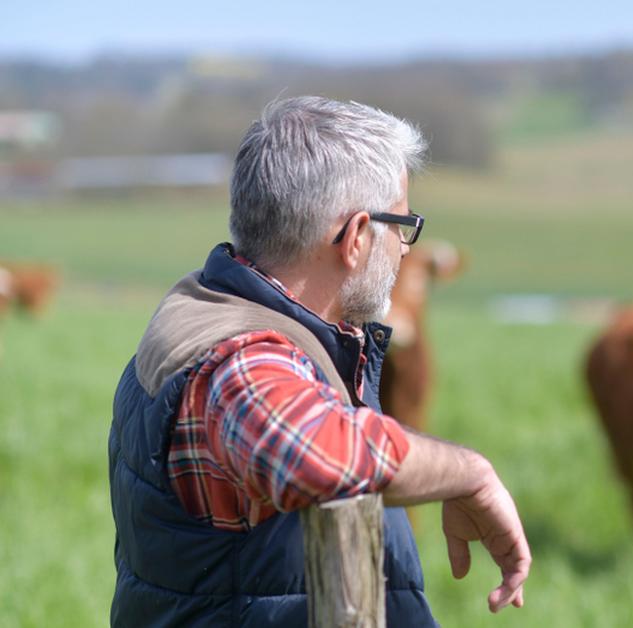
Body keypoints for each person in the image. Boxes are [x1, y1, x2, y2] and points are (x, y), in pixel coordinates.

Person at [108, 96, 530, 626]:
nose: (403, 249)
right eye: (402, 224)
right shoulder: (241, 356)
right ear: (355, 237)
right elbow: (318, 452)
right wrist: (470, 474)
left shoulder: (223, 311)